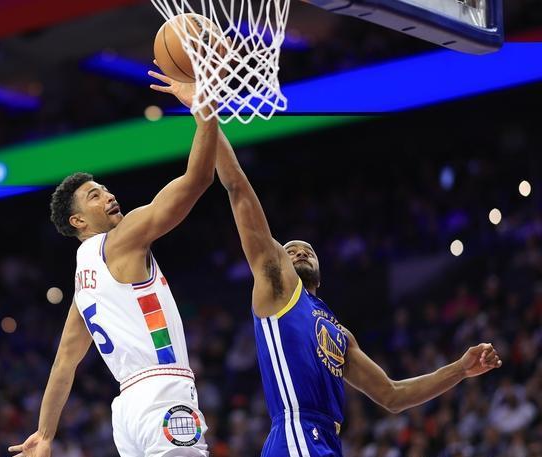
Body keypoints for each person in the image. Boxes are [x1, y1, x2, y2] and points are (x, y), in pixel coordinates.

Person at [149, 69, 503, 457]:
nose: (300, 252)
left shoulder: (338, 332)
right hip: (297, 432)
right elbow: (237, 188)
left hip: (326, 440)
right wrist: (204, 110)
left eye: (308, 250)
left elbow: (392, 395)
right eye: (291, 250)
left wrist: (460, 369)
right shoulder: (277, 285)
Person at [8, 102, 218, 457]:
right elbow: (198, 180)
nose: (109, 195)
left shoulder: (83, 285)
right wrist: (205, 111)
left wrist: (45, 434)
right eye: (95, 195)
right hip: (163, 391)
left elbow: (64, 363)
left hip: (126, 411)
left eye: (105, 189)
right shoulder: (120, 240)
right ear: (78, 221)